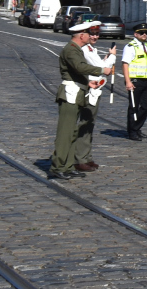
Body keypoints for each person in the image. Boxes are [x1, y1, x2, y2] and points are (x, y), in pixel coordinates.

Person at [50, 21, 107, 179]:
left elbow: (76, 73)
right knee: (65, 132)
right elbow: (80, 67)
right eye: (89, 34)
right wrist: (103, 69)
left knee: (73, 132)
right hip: (70, 94)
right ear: (81, 35)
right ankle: (58, 166)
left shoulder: (76, 49)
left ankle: (68, 165)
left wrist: (88, 82)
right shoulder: (71, 50)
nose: (91, 36)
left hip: (77, 92)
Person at [74, 21, 116, 172]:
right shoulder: (85, 49)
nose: (95, 36)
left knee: (89, 124)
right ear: (85, 34)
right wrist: (111, 58)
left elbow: (98, 65)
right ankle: (80, 159)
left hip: (95, 91)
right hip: (89, 91)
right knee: (85, 124)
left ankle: (86, 156)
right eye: (92, 34)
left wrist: (106, 59)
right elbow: (102, 69)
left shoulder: (91, 49)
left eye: (97, 34)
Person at [122, 23, 147, 140]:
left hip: (146, 81)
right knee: (134, 107)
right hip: (135, 81)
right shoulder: (130, 47)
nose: (144, 35)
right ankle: (132, 131)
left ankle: (136, 127)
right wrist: (128, 81)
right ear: (135, 34)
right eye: (141, 33)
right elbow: (125, 64)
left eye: (146, 33)